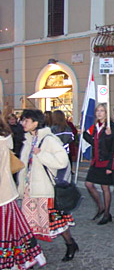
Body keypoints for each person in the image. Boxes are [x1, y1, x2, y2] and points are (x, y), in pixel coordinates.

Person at [17, 109, 78, 262]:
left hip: (45, 189)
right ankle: (33, 254)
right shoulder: (28, 139)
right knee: (27, 223)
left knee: (56, 222)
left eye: (26, 120)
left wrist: (41, 154)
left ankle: (70, 244)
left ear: (36, 123)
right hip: (29, 188)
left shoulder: (49, 139)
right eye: (23, 120)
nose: (23, 123)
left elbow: (62, 161)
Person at [0, 115, 46, 270]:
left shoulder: (1, 143)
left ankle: (17, 261)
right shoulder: (6, 140)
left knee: (8, 233)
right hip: (8, 193)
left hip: (4, 195)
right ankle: (23, 260)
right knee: (14, 231)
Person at [83, 103, 114, 224]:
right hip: (96, 160)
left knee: (105, 187)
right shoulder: (96, 126)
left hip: (106, 161)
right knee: (88, 184)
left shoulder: (110, 126)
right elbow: (95, 142)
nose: (99, 113)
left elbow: (113, 146)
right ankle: (101, 207)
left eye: (102, 111)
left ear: (106, 113)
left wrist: (110, 165)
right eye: (98, 111)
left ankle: (107, 214)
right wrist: (84, 134)